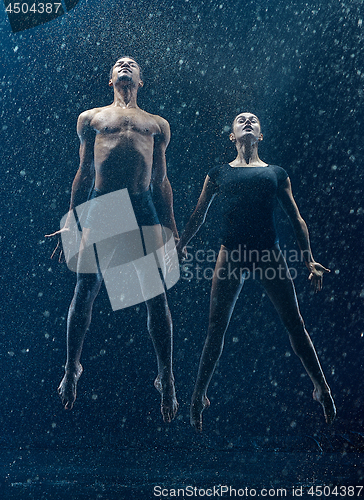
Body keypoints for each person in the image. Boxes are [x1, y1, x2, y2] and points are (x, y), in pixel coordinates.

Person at [176, 112, 336, 431]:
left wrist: (308, 259)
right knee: (216, 328)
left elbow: (296, 219)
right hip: (231, 253)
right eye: (240, 120)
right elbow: (198, 215)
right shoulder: (219, 173)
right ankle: (198, 397)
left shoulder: (275, 173)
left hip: (268, 253)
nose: (248, 121)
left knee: (295, 322)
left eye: (253, 120)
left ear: (260, 134)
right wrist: (180, 244)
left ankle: (322, 388)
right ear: (232, 136)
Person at [46, 57, 179, 423]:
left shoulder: (157, 124)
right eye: (119, 63)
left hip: (141, 205)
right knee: (85, 289)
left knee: (156, 296)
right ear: (110, 80)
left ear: (140, 79)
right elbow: (84, 171)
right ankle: (72, 366)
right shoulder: (91, 118)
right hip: (103, 205)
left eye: (132, 64)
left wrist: (170, 224)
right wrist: (71, 218)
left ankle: (165, 376)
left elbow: (161, 181)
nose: (125, 64)